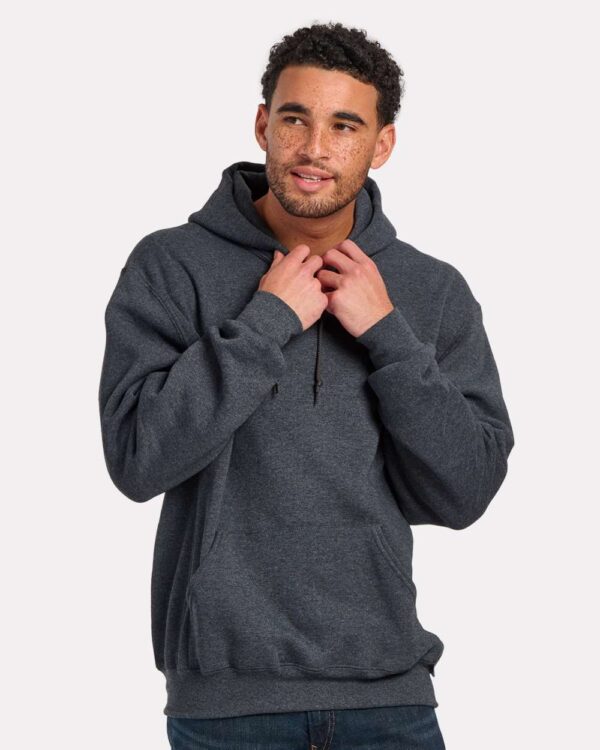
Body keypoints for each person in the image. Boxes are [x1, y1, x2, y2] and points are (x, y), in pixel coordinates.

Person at [98, 21, 514, 750]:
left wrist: (388, 335)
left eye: (344, 125)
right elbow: (138, 460)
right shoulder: (172, 266)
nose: (315, 148)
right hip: (227, 706)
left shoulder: (431, 290)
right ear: (264, 125)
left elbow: (465, 491)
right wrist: (264, 324)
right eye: (295, 119)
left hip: (390, 697)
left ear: (381, 144)